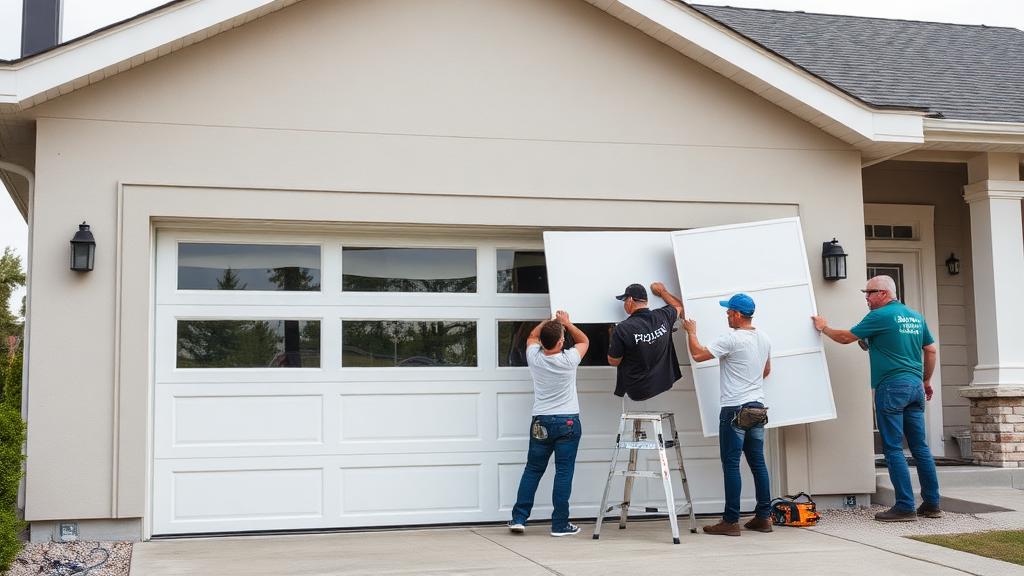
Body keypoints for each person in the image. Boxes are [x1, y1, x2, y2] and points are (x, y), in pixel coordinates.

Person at [812, 275, 941, 522]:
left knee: (893, 448)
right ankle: (932, 504)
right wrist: (925, 380)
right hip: (915, 387)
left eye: (869, 293)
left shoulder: (880, 316)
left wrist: (823, 327)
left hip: (892, 387)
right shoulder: (914, 316)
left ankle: (904, 506)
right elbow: (931, 349)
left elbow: (845, 337)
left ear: (883, 293)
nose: (866, 298)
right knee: (920, 447)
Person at [683, 293, 773, 536]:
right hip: (757, 408)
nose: (726, 315)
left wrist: (691, 331)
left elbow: (699, 355)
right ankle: (764, 517)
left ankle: (731, 521)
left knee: (731, 465)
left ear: (737, 314)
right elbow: (766, 370)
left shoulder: (732, 339)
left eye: (728, 312)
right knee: (758, 463)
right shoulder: (763, 338)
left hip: (734, 409)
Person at [509, 310, 590, 536]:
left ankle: (518, 519)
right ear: (562, 341)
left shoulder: (534, 357)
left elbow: (531, 337)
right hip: (568, 421)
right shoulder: (569, 359)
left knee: (533, 469)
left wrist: (548, 322)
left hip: (541, 421)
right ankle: (560, 524)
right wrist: (567, 323)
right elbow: (584, 340)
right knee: (563, 472)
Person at [607, 282, 683, 401]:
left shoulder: (623, 328)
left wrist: (612, 339)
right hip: (664, 382)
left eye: (624, 300)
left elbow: (613, 361)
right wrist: (662, 292)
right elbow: (678, 306)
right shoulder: (662, 315)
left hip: (639, 391)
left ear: (630, 300)